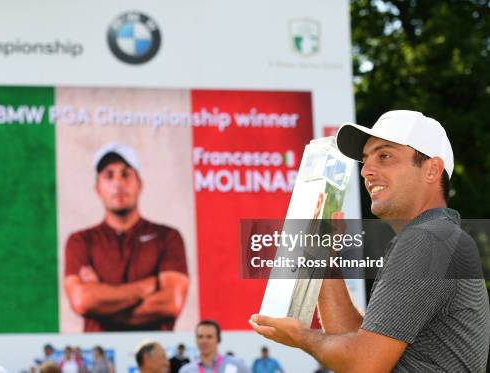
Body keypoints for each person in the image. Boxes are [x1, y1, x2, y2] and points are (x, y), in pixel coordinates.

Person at [249, 110, 490, 371]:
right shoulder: (435, 237)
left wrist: (301, 337)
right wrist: (325, 258)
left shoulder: (429, 238)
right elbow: (360, 343)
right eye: (365, 160)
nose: (367, 171)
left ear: (432, 169)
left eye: (384, 156)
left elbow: (363, 363)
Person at [64, 142, 189, 331]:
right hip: (104, 356)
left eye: (126, 174)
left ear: (140, 184)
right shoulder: (81, 241)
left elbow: (171, 302)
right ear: (97, 188)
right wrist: (148, 286)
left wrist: (102, 302)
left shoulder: (167, 237)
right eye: (109, 175)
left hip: (157, 355)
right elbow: (82, 300)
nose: (118, 183)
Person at [179, 320, 249, 373]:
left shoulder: (236, 365)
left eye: (209, 337)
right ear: (196, 340)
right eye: (200, 337)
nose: (204, 341)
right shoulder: (186, 370)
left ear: (218, 339)